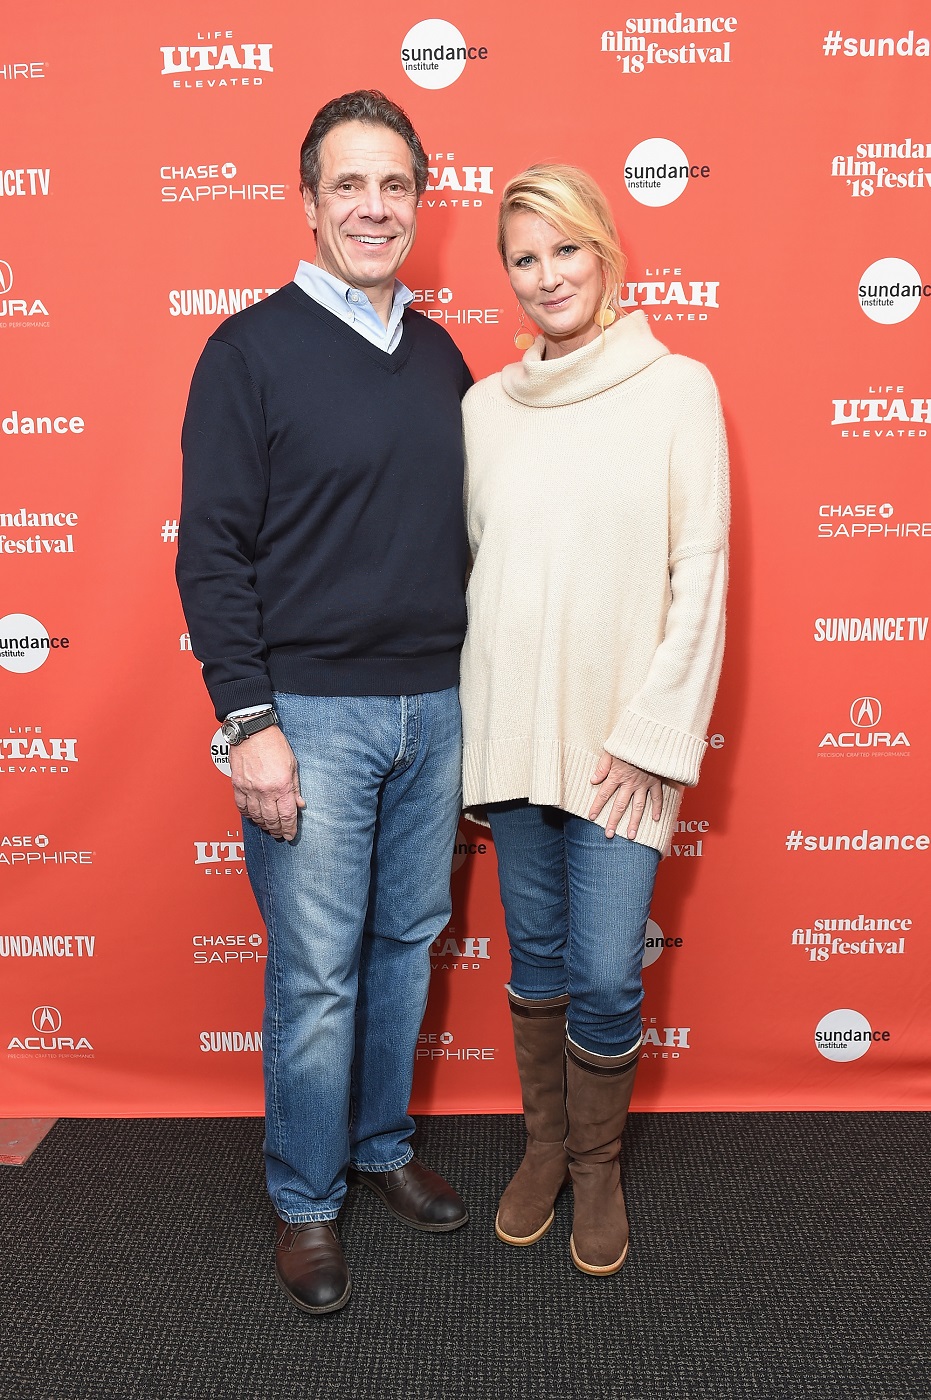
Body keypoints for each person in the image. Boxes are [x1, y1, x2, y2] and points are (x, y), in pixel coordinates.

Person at [176, 90, 472, 1316]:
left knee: (403, 946)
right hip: (311, 715)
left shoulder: (446, 353)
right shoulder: (246, 351)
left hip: (437, 710)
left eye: (393, 185)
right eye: (348, 185)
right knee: (315, 973)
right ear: (306, 204)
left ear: (418, 201)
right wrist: (250, 726)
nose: (372, 206)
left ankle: (379, 1145)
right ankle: (306, 1200)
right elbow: (210, 554)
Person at [459, 164, 729, 1276]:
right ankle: (543, 1150)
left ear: (605, 252)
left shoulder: (677, 387)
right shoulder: (482, 408)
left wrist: (652, 735)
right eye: (523, 257)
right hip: (513, 734)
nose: (545, 275)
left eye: (563, 249)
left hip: (625, 746)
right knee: (539, 955)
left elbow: (698, 571)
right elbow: (478, 573)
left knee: (610, 970)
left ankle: (597, 1166)